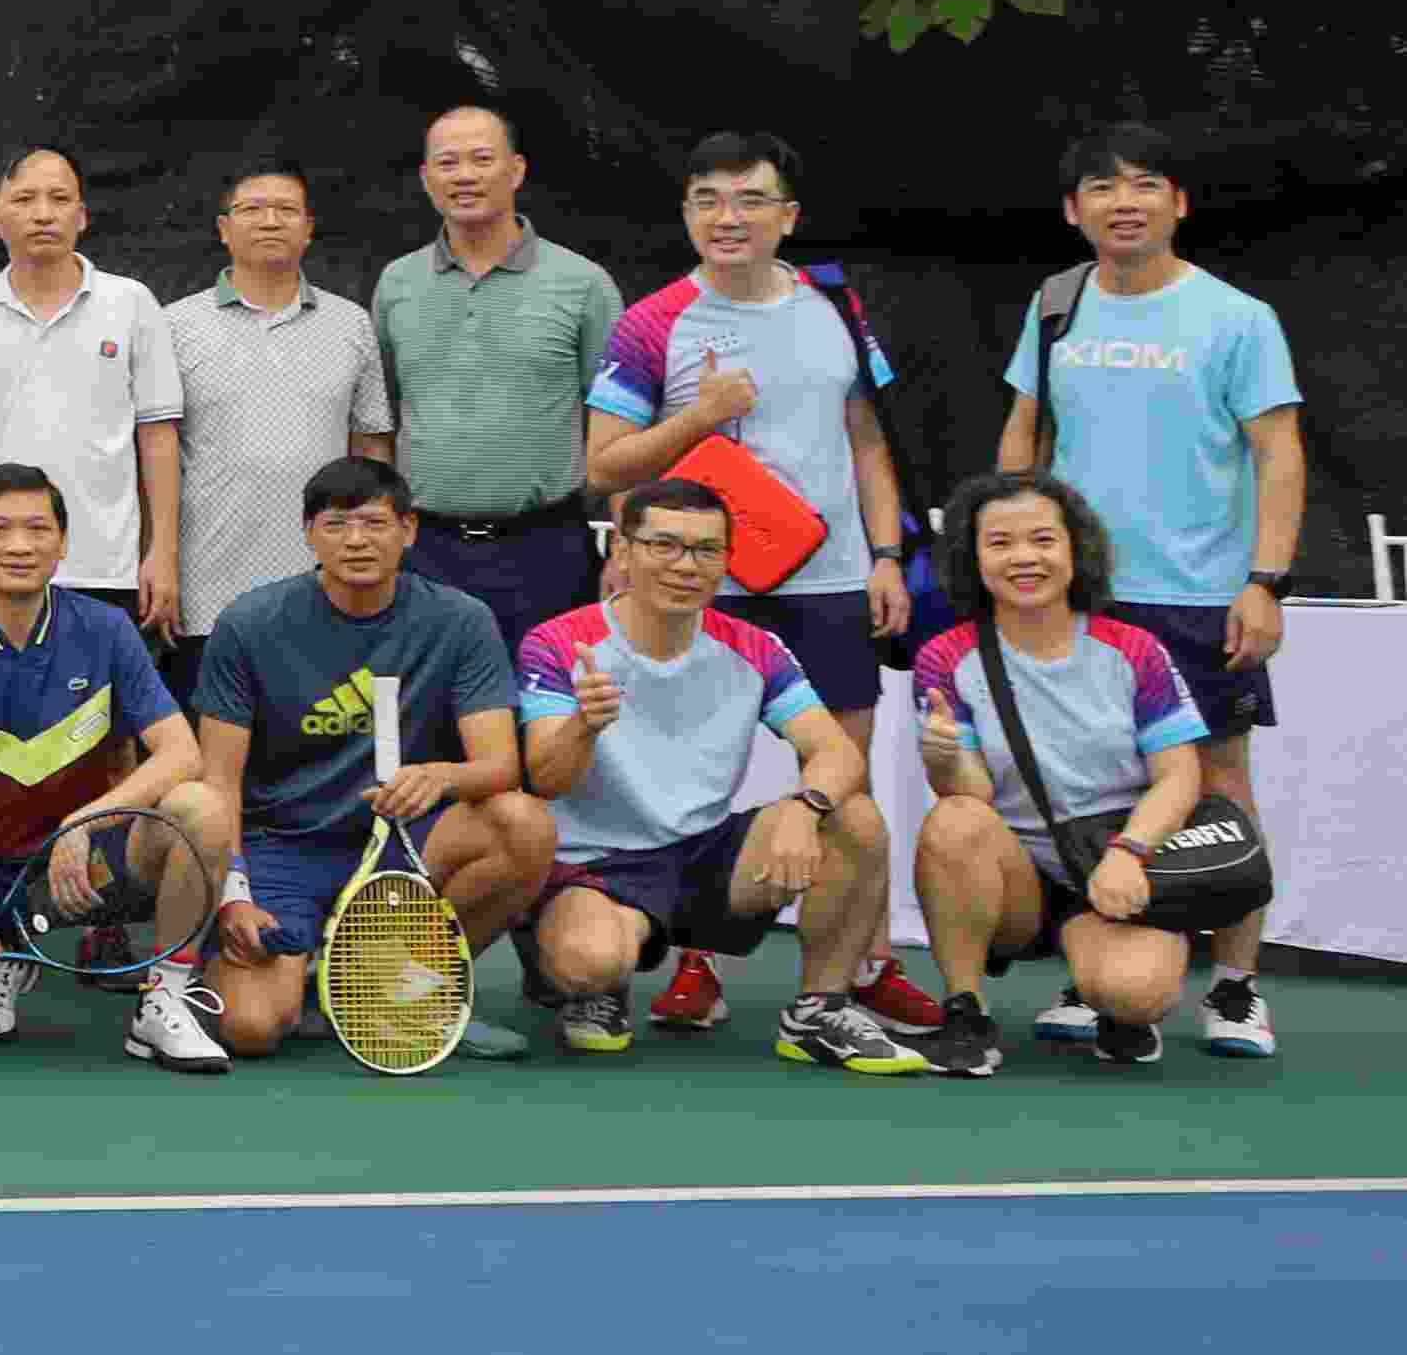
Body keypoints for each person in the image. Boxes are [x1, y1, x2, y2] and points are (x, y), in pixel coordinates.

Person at [582, 130, 921, 1032]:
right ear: (688, 212)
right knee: (695, 776)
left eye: (749, 200)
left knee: (843, 782)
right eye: (707, 200)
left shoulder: (837, 309)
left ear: (788, 216)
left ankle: (856, 969)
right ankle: (696, 964)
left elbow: (870, 443)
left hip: (833, 581)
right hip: (699, 582)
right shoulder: (652, 321)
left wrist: (886, 557)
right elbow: (605, 467)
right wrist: (701, 415)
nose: (727, 218)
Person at [990, 124, 1304, 1057]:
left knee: (1217, 785)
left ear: (1179, 203)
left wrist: (1264, 581)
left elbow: (1279, 452)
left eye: (1144, 185)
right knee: (1095, 787)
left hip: (1201, 598)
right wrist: (1011, 546)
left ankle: (1237, 986)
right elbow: (1024, 434)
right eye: (1101, 187)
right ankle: (1100, 974)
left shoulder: (1237, 318)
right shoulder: (1055, 305)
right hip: (1075, 600)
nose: (1123, 202)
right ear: (1073, 209)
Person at [512, 477, 923, 1072]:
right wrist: (585, 725)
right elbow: (546, 779)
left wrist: (806, 810)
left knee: (853, 815)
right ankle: (598, 982)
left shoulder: (756, 647)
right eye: (665, 546)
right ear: (622, 551)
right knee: (587, 963)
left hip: (709, 857)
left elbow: (837, 753)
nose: (687, 565)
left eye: (707, 550)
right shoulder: (559, 643)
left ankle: (818, 1013)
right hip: (597, 864)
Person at [0, 464, 236, 1070]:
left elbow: (182, 752)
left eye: (38, 529)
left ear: (63, 544)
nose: (19, 545)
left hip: (91, 866)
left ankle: (163, 1002)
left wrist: (85, 821)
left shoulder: (106, 629)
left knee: (203, 807)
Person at [186, 457, 547, 1064]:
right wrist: (234, 893)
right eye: (336, 524)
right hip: (284, 846)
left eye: (375, 523)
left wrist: (443, 775)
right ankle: (310, 976)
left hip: (404, 843)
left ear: (408, 530)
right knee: (250, 1029)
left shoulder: (461, 621)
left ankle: (408, 988)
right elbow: (218, 783)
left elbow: (499, 766)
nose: (356, 541)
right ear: (308, 533)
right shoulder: (248, 624)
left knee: (524, 823)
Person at [901, 472, 1215, 1075]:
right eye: (1000, 543)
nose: (1024, 557)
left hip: (1116, 863)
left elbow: (1180, 776)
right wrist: (944, 758)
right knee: (954, 819)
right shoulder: (944, 658)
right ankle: (966, 1013)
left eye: (1043, 539)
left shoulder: (1136, 650)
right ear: (973, 557)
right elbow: (973, 798)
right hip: (1019, 873)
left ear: (1076, 548)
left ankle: (1108, 996)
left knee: (1137, 993)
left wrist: (1130, 852)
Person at [374, 106, 621, 644]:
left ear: (516, 171)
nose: (464, 176)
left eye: (482, 160)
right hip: (424, 549)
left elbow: (623, 425)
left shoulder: (583, 284)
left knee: (547, 717)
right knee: (427, 718)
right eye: (448, 162)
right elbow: (379, 418)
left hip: (547, 547)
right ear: (426, 178)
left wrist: (626, 544)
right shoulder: (397, 283)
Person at [0, 147, 186, 637]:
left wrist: (161, 554)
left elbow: (158, 436)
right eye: (24, 199)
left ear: (82, 216)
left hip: (106, 568)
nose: (43, 213)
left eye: (59, 198)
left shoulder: (131, 304)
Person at [167, 164, 398, 663]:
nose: (270, 221)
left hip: (329, 581)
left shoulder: (351, 324)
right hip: (207, 582)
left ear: (309, 229)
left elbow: (371, 448)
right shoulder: (173, 326)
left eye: (286, 210)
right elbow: (154, 456)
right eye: (251, 209)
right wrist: (158, 559)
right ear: (224, 229)